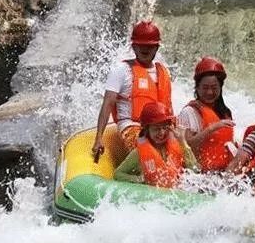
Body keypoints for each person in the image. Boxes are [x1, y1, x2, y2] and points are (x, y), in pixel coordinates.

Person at [91, 21, 173, 162]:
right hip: (132, 125)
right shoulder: (121, 70)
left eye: (150, 46)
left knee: (178, 150)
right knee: (148, 152)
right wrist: (99, 138)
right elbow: (108, 103)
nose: (145, 49)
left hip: (159, 128)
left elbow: (169, 109)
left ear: (156, 48)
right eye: (140, 45)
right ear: (133, 46)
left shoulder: (163, 72)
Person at [114, 102, 200, 188]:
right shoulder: (138, 153)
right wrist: (140, 180)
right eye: (156, 129)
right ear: (147, 130)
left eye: (165, 128)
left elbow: (195, 170)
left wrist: (183, 141)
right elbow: (118, 174)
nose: (161, 133)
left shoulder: (179, 146)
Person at [178, 57, 235, 172]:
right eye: (205, 88)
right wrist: (211, 128)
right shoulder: (189, 112)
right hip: (198, 174)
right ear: (197, 88)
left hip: (222, 173)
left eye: (214, 88)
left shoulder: (225, 113)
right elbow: (186, 148)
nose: (210, 92)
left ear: (220, 88)